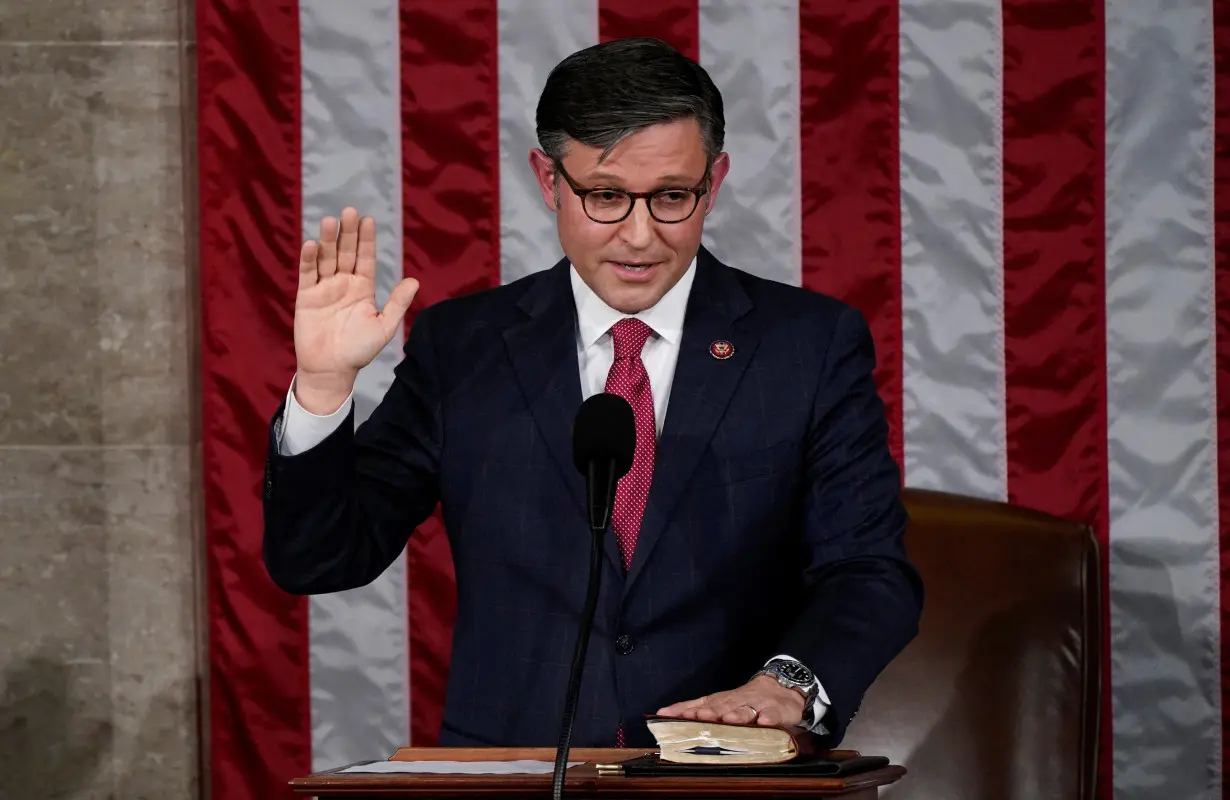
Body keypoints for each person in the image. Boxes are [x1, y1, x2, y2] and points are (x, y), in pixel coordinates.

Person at [262, 36, 923, 749]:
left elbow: (867, 569)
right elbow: (321, 559)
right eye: (606, 196)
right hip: (518, 773)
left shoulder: (808, 345)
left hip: (729, 777)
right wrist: (325, 387)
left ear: (715, 180)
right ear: (548, 181)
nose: (640, 236)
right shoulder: (464, 348)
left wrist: (782, 686)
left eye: (672, 196)